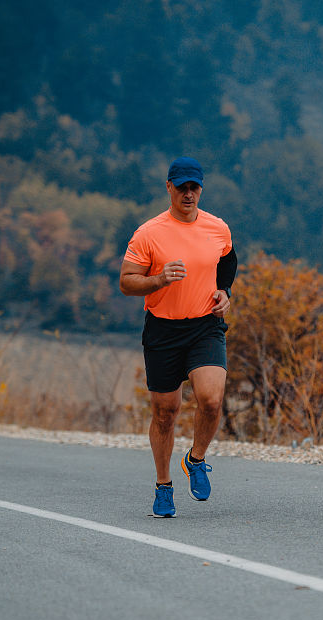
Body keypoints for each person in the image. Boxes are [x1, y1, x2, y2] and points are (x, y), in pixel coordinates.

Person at [119, 156, 237, 518]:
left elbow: (228, 262)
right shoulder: (149, 232)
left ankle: (196, 458)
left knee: (211, 400)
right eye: (181, 186)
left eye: (194, 187)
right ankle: (163, 486)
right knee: (166, 413)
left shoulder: (218, 228)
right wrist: (157, 279)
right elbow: (126, 281)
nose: (189, 193)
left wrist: (224, 291)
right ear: (168, 187)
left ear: (201, 188)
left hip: (205, 325)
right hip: (163, 329)